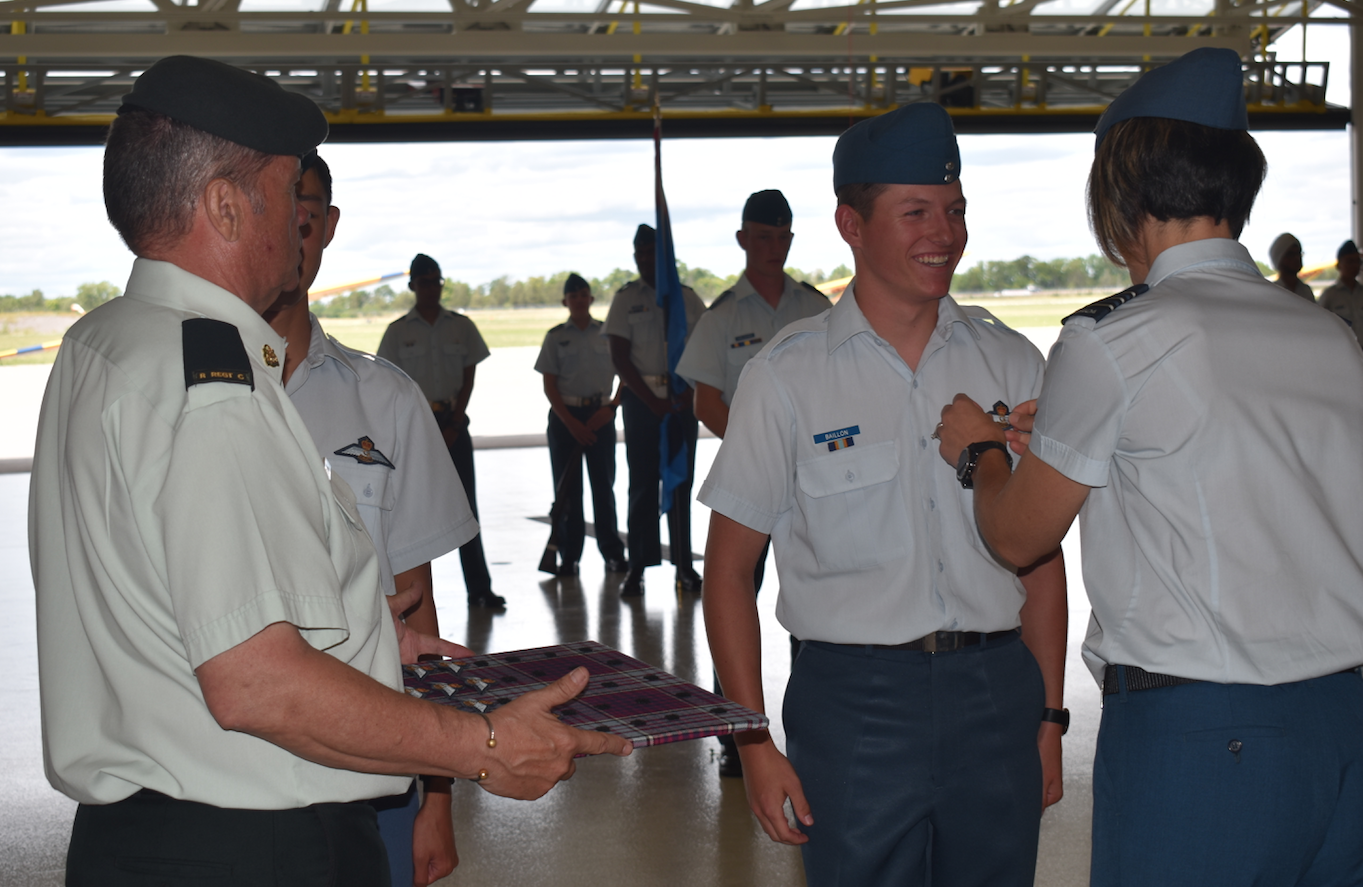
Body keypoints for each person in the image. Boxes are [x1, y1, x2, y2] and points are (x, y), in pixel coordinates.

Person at [30, 55, 631, 884]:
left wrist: (362, 641)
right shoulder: (216, 385)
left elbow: (165, 609)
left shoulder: (103, 343)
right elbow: (255, 685)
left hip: (136, 839)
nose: (300, 226)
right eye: (285, 196)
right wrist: (483, 746)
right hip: (251, 849)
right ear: (225, 206)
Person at [937, 47, 1363, 886]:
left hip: (1207, 735)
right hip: (1342, 724)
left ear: (1119, 196)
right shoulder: (1328, 335)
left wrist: (978, 453)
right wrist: (1067, 434)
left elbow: (1019, 537)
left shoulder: (1113, 339)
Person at [700, 102, 1067, 886]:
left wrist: (1048, 715)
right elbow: (728, 572)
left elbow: (1038, 557)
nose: (945, 232)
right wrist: (753, 743)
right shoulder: (785, 376)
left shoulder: (1010, 363)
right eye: (915, 212)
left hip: (995, 690)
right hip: (853, 702)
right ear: (851, 224)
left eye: (955, 210)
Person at [263, 152, 476, 887]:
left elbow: (420, 603)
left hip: (374, 768)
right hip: (228, 769)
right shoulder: (183, 391)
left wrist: (438, 790)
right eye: (275, 203)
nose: (293, 226)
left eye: (309, 210)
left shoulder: (386, 400)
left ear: (327, 226)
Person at [675, 188, 829, 778]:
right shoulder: (723, 316)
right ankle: (736, 731)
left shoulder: (817, 309)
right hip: (750, 488)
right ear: (743, 240)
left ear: (791, 239)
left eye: (781, 236)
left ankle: (813, 722)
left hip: (815, 482)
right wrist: (755, 454)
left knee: (811, 601)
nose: (771, 247)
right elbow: (706, 399)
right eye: (760, 237)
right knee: (733, 596)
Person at [378, 254, 504, 610]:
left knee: (467, 509)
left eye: (437, 281)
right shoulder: (398, 332)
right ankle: (406, 599)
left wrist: (455, 420)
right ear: (413, 286)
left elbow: (468, 376)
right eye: (425, 281)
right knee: (407, 512)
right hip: (416, 432)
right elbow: (389, 384)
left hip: (454, 423)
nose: (432, 288)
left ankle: (479, 588)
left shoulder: (460, 326)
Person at [604, 224, 706, 598]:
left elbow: (705, 349)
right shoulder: (626, 298)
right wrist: (652, 400)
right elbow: (619, 355)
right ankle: (638, 568)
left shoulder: (686, 298)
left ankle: (684, 565)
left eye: (652, 252)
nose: (645, 259)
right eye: (639, 253)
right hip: (642, 402)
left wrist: (684, 394)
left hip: (681, 400)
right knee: (643, 485)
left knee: (680, 483)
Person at [534, 273, 629, 577]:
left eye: (583, 294)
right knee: (568, 493)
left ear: (591, 298)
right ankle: (568, 557)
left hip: (600, 417)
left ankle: (613, 554)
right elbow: (549, 385)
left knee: (604, 489)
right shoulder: (556, 336)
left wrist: (612, 407)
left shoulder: (607, 334)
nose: (578, 299)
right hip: (566, 420)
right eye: (572, 295)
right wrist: (571, 423)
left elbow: (626, 374)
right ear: (565, 301)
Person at [1319, 238, 1362, 344]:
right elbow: (1320, 327)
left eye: (1358, 261)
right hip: (1343, 353)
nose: (1355, 266)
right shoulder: (1330, 295)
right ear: (1338, 265)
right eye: (1350, 261)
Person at [1268, 231, 1316, 301]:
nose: (1296, 258)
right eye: (1291, 254)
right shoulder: (1272, 292)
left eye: (1298, 253)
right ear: (1279, 259)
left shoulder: (1306, 292)